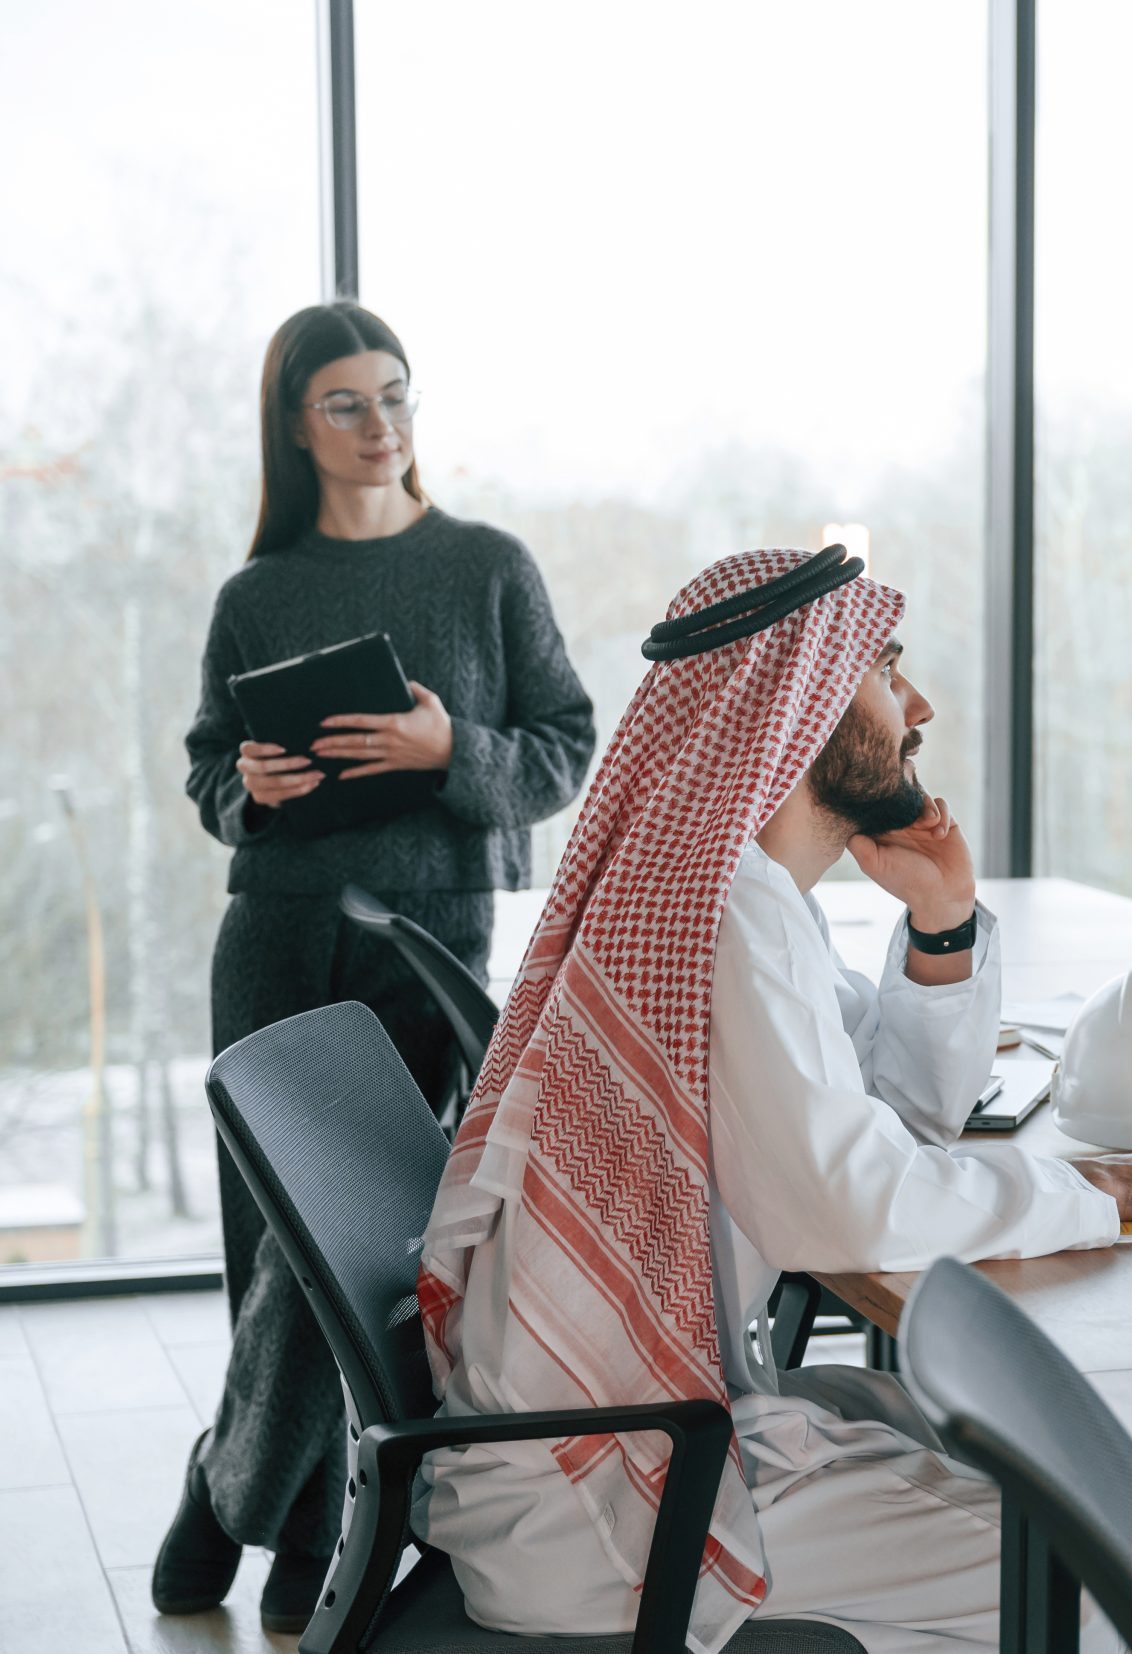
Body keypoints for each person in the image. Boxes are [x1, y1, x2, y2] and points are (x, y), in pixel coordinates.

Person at [413, 546, 1132, 1652]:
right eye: (883, 669)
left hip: (641, 1439)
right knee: (1126, 1582)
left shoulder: (737, 900)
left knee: (1099, 1497)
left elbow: (892, 1124)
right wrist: (1097, 1191)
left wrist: (942, 920)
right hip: (619, 1492)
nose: (916, 707)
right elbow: (846, 1205)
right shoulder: (722, 919)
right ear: (797, 700)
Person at [157, 303, 595, 1631]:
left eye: (394, 393)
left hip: (433, 940)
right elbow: (204, 770)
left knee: (369, 1256)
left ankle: (229, 1491)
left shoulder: (490, 565)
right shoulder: (256, 592)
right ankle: (306, 1521)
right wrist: (251, 782)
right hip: (281, 933)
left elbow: (565, 751)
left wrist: (444, 750)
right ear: (296, 425)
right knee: (276, 1245)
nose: (380, 422)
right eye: (345, 402)